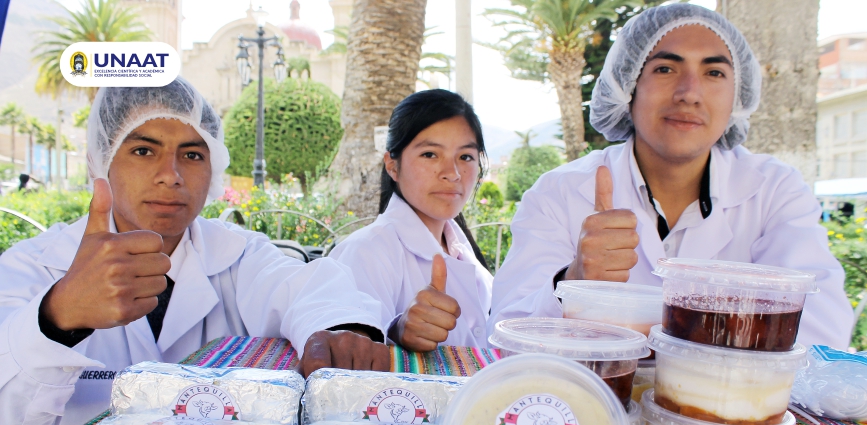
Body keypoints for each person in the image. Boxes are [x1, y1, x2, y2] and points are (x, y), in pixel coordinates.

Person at [0, 78, 388, 425]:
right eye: (143, 151)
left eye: (192, 154)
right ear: (100, 161)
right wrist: (57, 317)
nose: (171, 174)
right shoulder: (34, 266)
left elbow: (306, 287)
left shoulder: (237, 254)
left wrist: (341, 330)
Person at [489, 4, 853, 348]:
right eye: (665, 69)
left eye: (714, 72)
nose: (689, 93)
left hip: (729, 409)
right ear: (628, 85)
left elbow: (821, 332)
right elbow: (507, 333)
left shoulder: (774, 191)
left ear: (736, 97)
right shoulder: (560, 192)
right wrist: (572, 284)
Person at [329, 89, 493, 351]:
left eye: (465, 157)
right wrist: (397, 332)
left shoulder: (462, 252)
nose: (452, 173)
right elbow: (347, 359)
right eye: (430, 154)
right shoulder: (364, 253)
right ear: (392, 166)